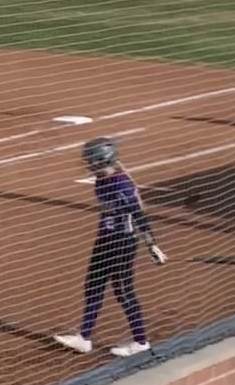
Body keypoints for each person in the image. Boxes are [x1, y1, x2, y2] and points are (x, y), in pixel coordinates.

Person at [54, 137, 166, 358]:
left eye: (90, 161)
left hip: (123, 242)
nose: (88, 165)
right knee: (93, 285)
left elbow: (139, 215)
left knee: (123, 291)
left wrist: (152, 245)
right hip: (105, 238)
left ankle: (141, 342)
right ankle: (84, 338)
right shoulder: (101, 180)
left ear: (101, 160)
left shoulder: (122, 185)